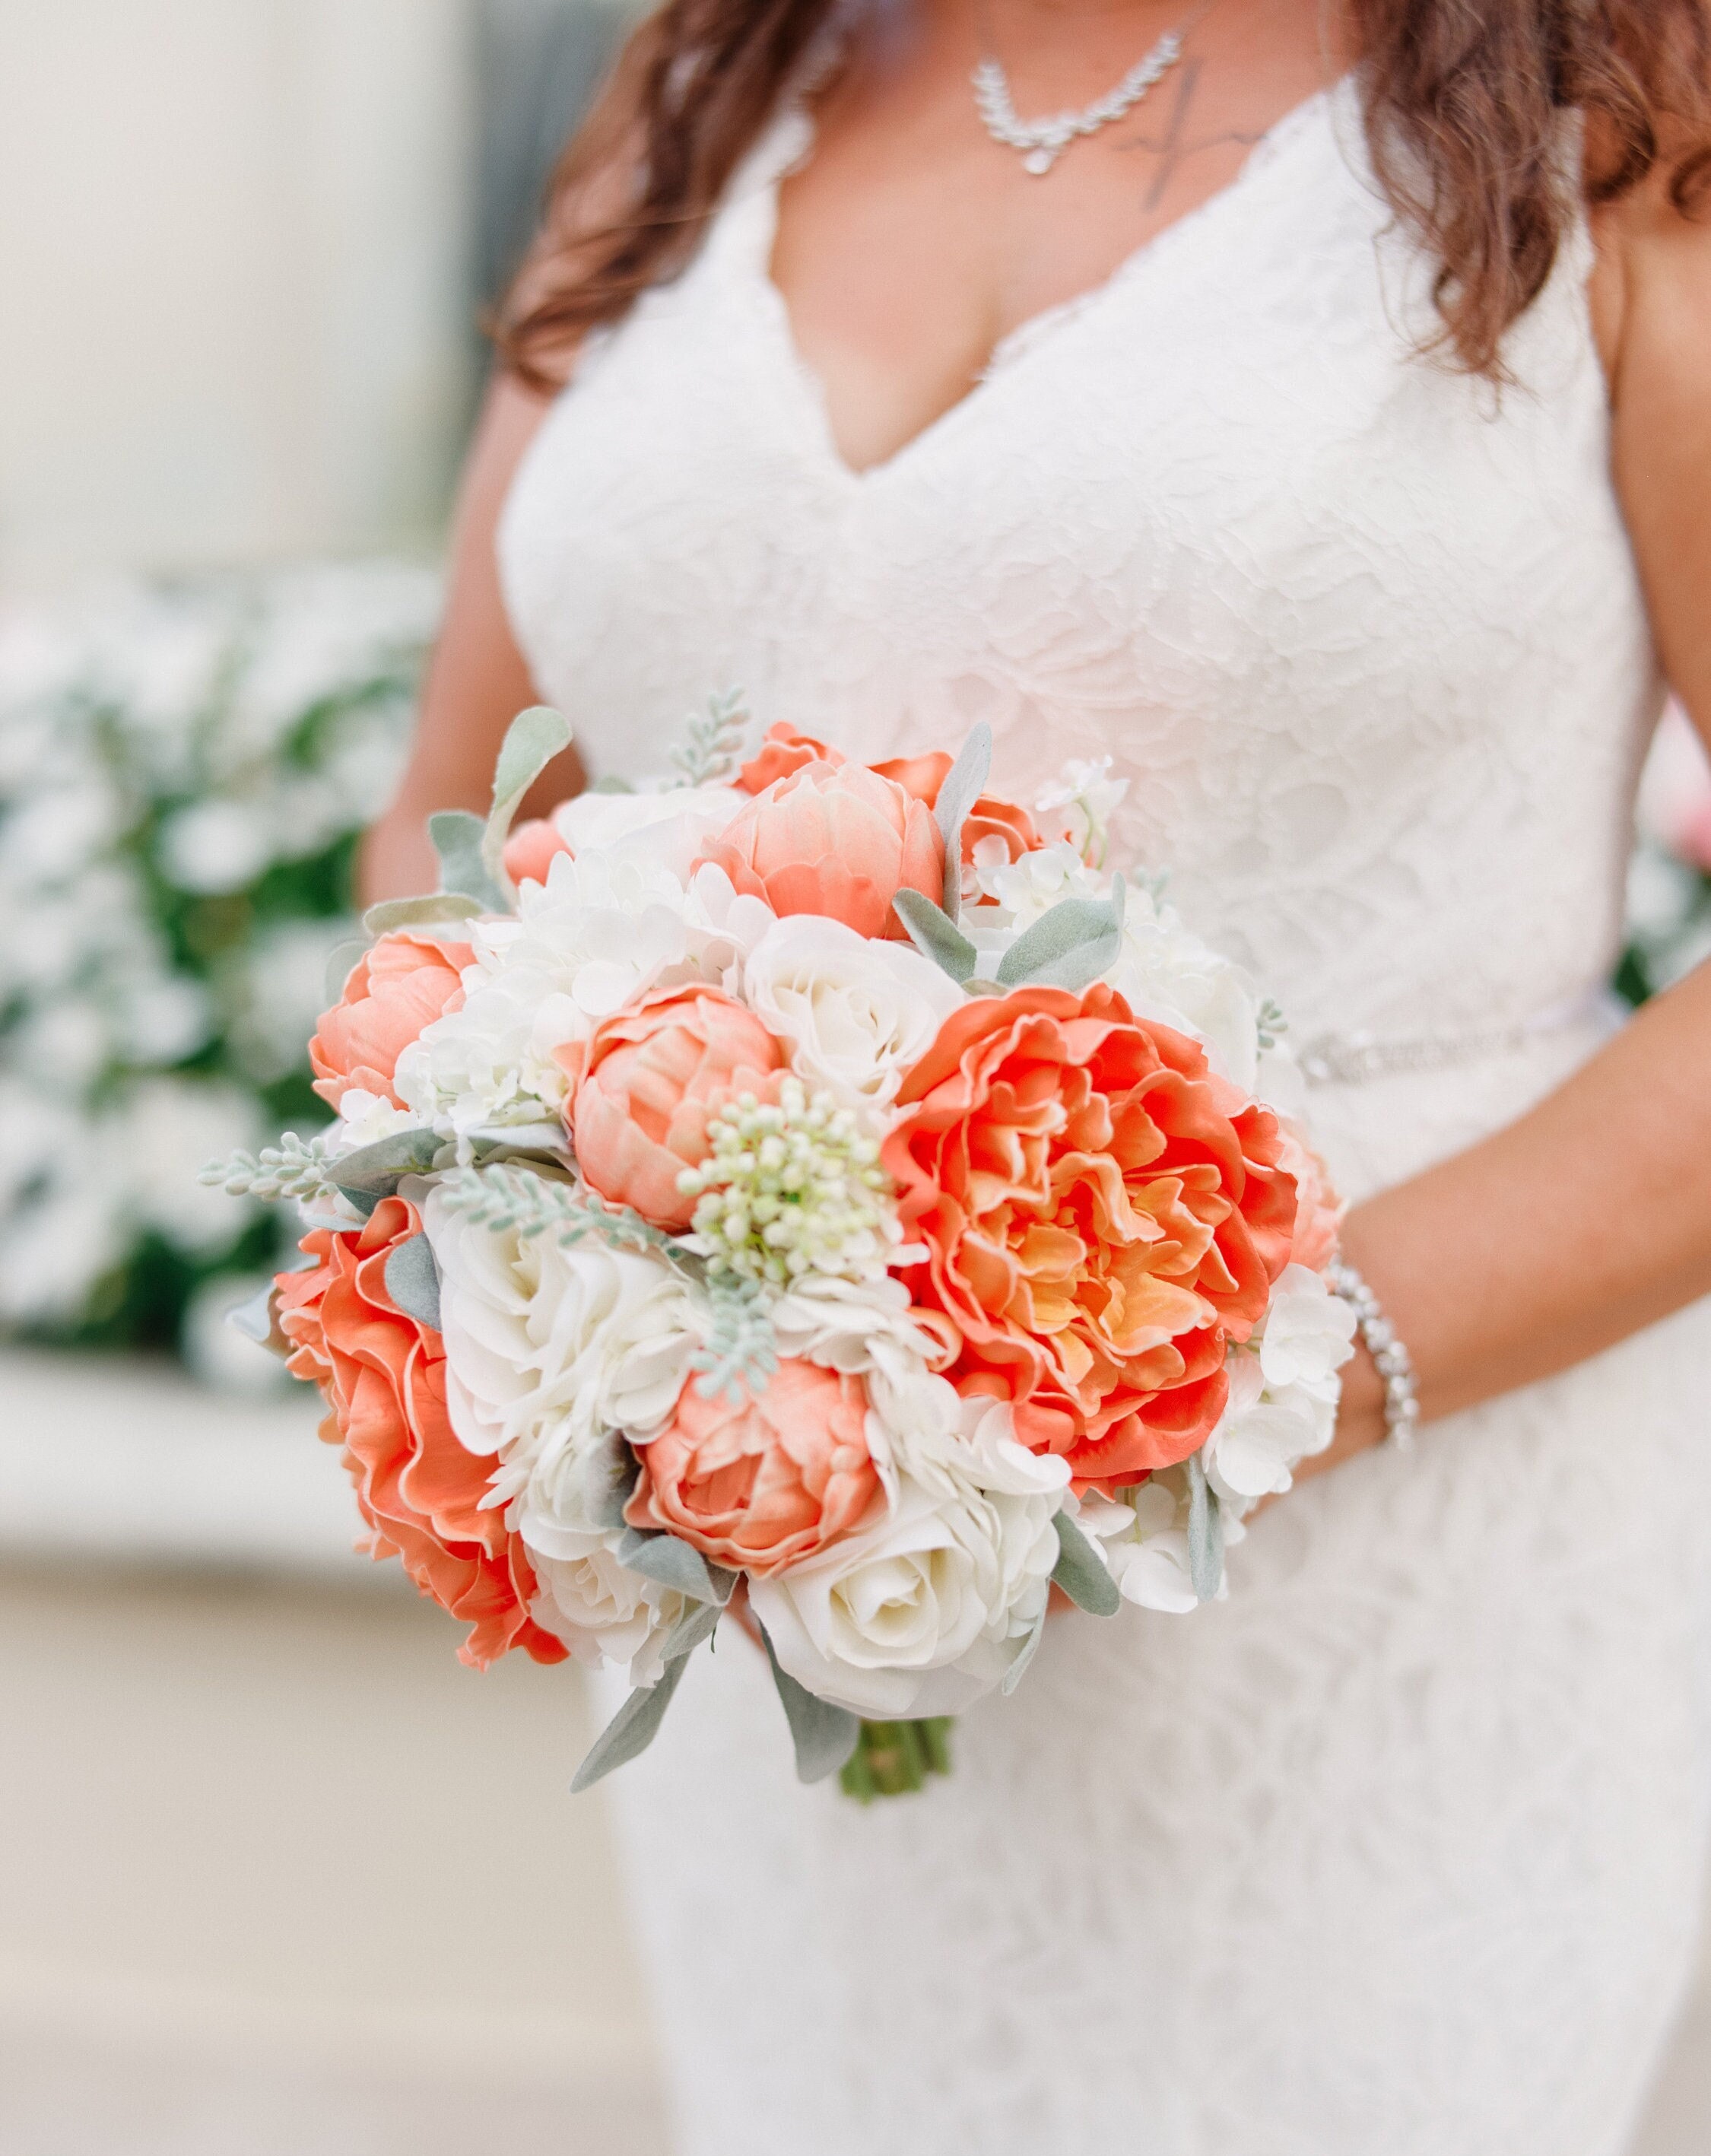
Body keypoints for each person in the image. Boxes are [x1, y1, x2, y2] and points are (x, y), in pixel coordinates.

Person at [363, 2, 1711, 2148]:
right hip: (789, 1564)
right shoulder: (704, 80)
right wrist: (548, 1271)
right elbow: (451, 821)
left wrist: (1260, 1371)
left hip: (1401, 1588)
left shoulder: (1606, 92)